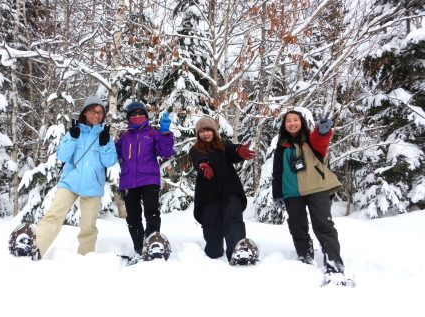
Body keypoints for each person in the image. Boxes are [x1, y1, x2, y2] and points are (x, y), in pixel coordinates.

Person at [34, 95, 118, 259]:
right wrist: (72, 137)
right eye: (93, 111)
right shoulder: (75, 131)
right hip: (70, 183)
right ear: (85, 112)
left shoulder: (105, 135)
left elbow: (110, 161)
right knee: (53, 216)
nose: (96, 115)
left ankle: (85, 258)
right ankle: (36, 249)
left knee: (88, 227)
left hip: (92, 186)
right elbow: (63, 156)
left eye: (100, 112)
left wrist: (104, 144)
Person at [272, 110, 344, 282]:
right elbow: (277, 172)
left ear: (301, 122)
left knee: (323, 225)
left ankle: (334, 263)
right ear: (284, 125)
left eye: (295, 120)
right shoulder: (281, 147)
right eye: (288, 121)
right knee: (297, 226)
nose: (292, 123)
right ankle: (305, 256)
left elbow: (321, 140)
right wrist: (277, 194)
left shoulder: (310, 140)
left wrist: (323, 130)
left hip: (317, 189)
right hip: (291, 193)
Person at [188, 116, 256, 263]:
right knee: (211, 226)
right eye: (202, 131)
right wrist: (203, 164)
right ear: (198, 134)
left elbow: (233, 150)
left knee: (234, 220)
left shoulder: (223, 146)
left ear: (214, 131)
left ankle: (238, 250)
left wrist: (239, 151)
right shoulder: (195, 149)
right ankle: (213, 253)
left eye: (209, 130)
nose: (206, 134)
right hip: (208, 195)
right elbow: (197, 158)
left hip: (230, 190)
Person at [115, 101, 174, 261]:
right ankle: (140, 248)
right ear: (128, 117)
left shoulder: (153, 133)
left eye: (141, 113)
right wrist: (106, 142)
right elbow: (114, 155)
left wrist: (164, 133)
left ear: (146, 116)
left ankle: (153, 243)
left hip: (149, 179)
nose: (137, 116)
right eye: (133, 114)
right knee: (133, 217)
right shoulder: (124, 136)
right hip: (129, 182)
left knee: (151, 212)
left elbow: (166, 152)